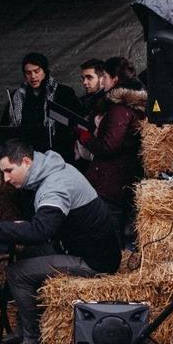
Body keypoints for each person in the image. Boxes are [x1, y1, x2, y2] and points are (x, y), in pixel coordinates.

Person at [0, 139, 123, 344]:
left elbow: (40, 232)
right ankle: (20, 331)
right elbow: (44, 226)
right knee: (28, 253)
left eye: (9, 170)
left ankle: (31, 339)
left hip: (95, 262)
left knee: (17, 273)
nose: (5, 179)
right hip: (78, 247)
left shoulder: (55, 185)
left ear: (26, 162)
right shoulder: (53, 171)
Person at [74, 56, 146, 248]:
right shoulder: (131, 105)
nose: (103, 81)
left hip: (112, 180)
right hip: (121, 177)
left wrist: (85, 137)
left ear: (114, 79)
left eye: (104, 76)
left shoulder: (120, 108)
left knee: (110, 230)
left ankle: (110, 266)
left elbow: (109, 145)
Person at [2, 52, 81, 164]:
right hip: (27, 157)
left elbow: (74, 124)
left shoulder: (64, 93)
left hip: (57, 156)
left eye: (37, 71)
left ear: (45, 70)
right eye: (28, 73)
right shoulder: (16, 97)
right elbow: (6, 127)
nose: (33, 76)